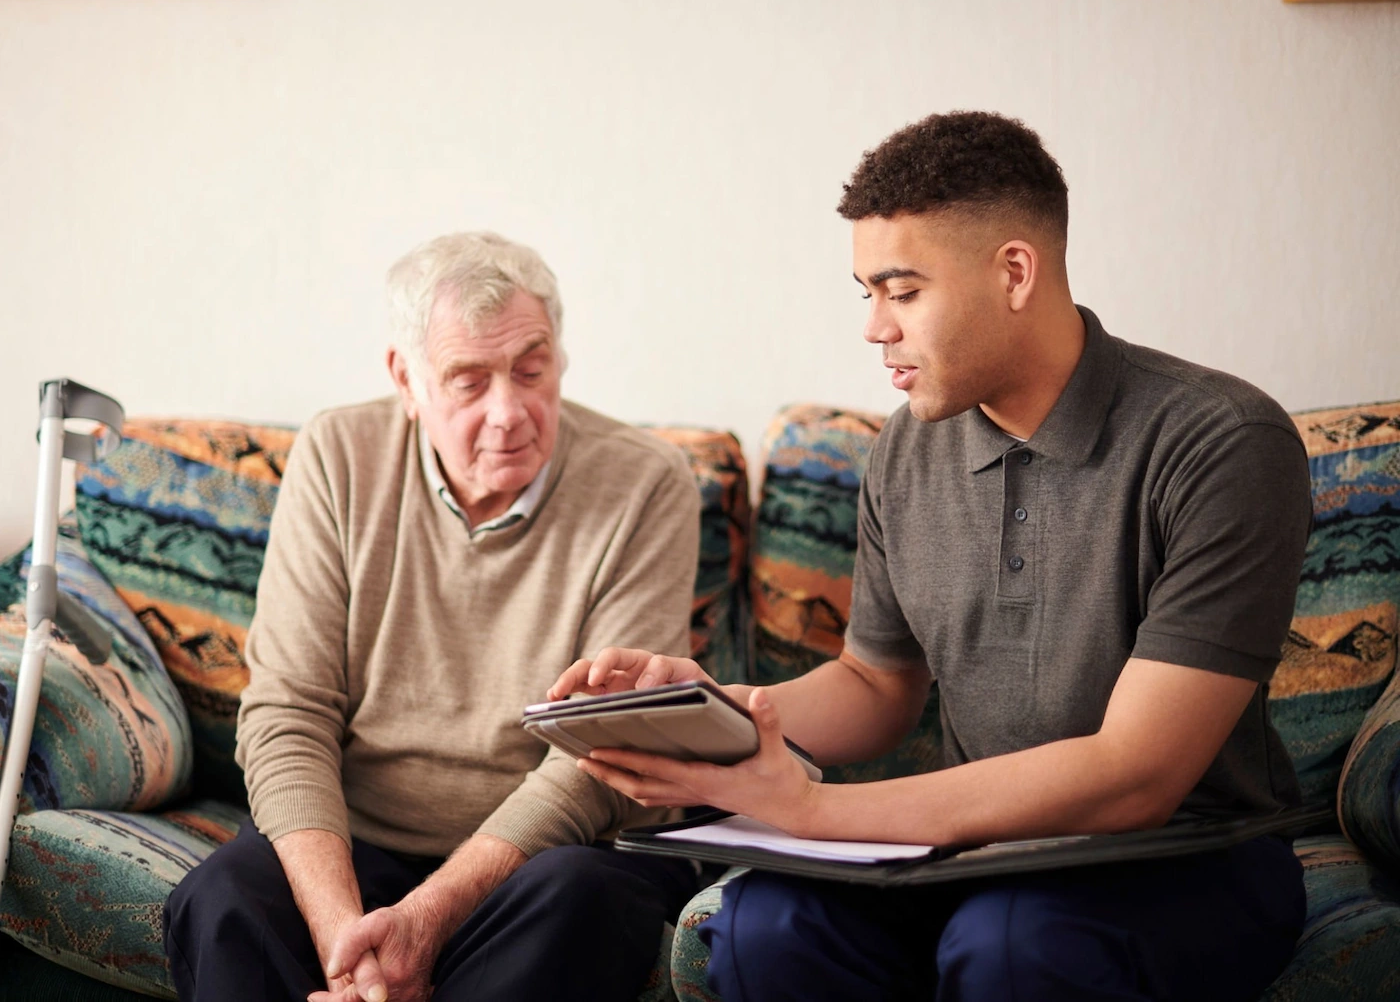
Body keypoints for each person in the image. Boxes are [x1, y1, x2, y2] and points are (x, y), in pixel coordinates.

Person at [549, 111, 1312, 1002]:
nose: (875, 328)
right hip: (984, 853)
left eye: (902, 291)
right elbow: (876, 684)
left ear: (1014, 272)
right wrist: (708, 711)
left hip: (1193, 854)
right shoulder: (907, 451)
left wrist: (815, 810)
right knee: (768, 924)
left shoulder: (1222, 443)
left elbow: (1134, 777)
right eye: (863, 293)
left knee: (1015, 942)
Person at [163, 231, 701, 1002]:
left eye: (531, 368)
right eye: (468, 381)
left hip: (544, 857)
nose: (509, 412)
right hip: (363, 842)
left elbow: (605, 753)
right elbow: (289, 711)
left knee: (584, 903)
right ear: (406, 380)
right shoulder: (338, 455)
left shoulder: (645, 484)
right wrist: (346, 942)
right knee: (220, 902)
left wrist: (427, 918)